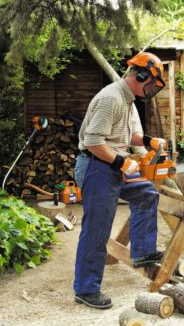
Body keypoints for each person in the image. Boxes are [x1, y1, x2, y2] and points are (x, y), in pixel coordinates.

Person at [72, 52, 168, 309]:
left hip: (114, 164)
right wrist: (120, 162)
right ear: (141, 75)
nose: (152, 90)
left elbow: (130, 136)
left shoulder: (129, 100)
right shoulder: (111, 98)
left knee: (147, 193)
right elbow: (93, 141)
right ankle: (86, 289)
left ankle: (142, 252)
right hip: (96, 166)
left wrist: (149, 141)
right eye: (152, 84)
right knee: (98, 228)